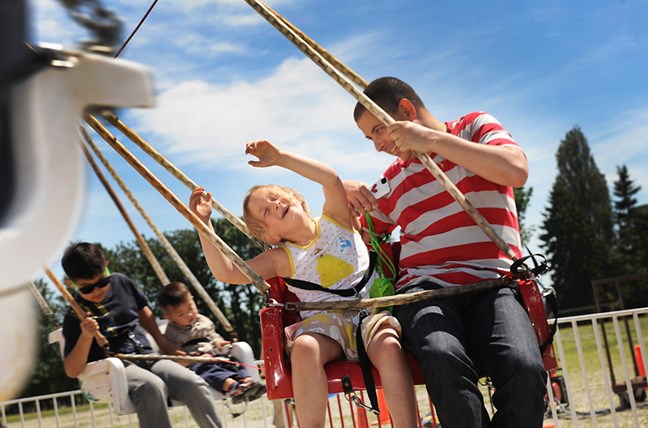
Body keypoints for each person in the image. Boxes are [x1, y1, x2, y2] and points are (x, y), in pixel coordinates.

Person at [344, 77, 548, 428]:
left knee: (525, 369)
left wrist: (432, 140)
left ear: (406, 111)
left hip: (492, 285)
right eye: (370, 138)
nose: (378, 145)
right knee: (442, 354)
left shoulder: (473, 128)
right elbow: (351, 236)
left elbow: (515, 170)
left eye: (380, 130)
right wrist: (340, 192)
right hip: (425, 292)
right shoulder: (392, 179)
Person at [189, 139, 418, 428]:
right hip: (326, 325)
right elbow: (227, 273)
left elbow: (330, 179)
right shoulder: (280, 258)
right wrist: (203, 225)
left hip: (369, 312)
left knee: (388, 346)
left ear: (296, 196)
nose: (274, 205)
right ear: (269, 235)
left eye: (275, 197)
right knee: (305, 347)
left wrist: (281, 157)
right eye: (266, 212)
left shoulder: (335, 218)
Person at [60, 242, 222, 428]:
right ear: (69, 284)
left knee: (193, 383)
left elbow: (142, 310)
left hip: (147, 355)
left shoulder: (121, 282)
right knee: (152, 386)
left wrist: (163, 342)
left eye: (102, 282)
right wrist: (86, 336)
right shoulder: (73, 316)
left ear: (106, 267)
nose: (96, 291)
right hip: (114, 367)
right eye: (86, 288)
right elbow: (72, 370)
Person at [157, 281, 266, 404]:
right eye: (181, 314)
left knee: (232, 361)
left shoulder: (203, 320)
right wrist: (197, 358)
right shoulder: (171, 334)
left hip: (214, 357)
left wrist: (218, 342)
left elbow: (212, 335)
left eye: (190, 307)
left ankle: (248, 382)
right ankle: (233, 387)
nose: (190, 314)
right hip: (196, 364)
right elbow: (176, 357)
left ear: (193, 299)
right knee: (208, 371)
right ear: (168, 317)